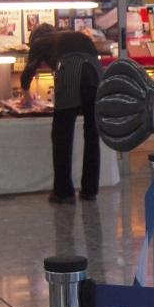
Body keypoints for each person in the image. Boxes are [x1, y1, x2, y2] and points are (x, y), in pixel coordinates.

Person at [20, 23, 102, 204]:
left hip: (71, 68)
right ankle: (90, 190)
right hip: (95, 71)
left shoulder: (40, 41)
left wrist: (27, 98)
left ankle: (63, 192)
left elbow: (27, 73)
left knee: (62, 132)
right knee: (92, 133)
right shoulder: (69, 36)